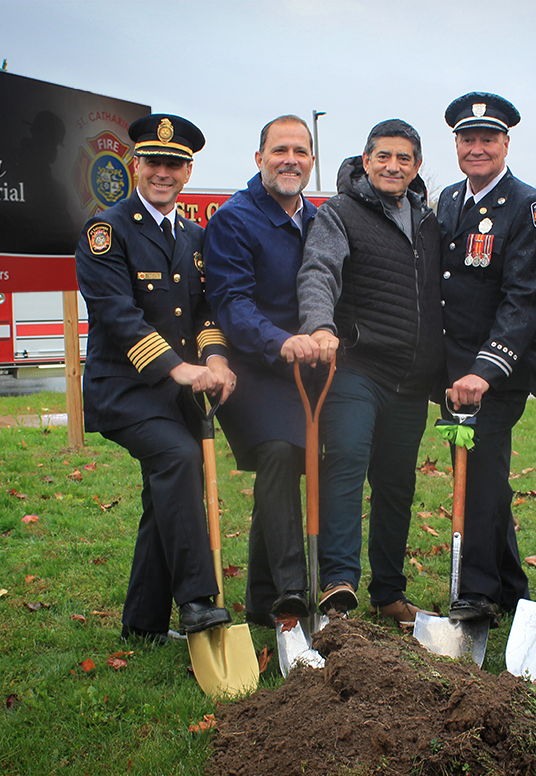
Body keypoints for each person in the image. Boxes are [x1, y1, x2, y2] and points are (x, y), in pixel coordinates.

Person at [75, 114, 236, 643]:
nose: (163, 173)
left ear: (187, 173)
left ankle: (142, 626)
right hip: (124, 390)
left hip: (176, 391)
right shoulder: (107, 231)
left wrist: (213, 359)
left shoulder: (195, 235)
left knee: (163, 497)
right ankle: (196, 602)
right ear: (135, 164)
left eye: (175, 164)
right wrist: (179, 367)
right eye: (154, 163)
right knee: (178, 459)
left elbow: (206, 311)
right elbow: (119, 316)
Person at [297, 119, 444, 626]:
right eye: (383, 156)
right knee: (346, 466)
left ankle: (388, 591)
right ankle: (338, 583)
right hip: (357, 368)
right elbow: (319, 270)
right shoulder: (339, 214)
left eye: (404, 158)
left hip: (410, 382)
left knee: (397, 485)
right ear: (366, 161)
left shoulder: (429, 222)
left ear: (417, 166)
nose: (393, 166)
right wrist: (319, 325)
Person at [437, 92, 536, 624]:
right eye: (468, 138)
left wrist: (484, 371)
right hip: (451, 368)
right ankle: (510, 584)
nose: (477, 147)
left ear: (506, 143)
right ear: (457, 144)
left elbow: (524, 302)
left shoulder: (530, 209)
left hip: (495, 371)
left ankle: (477, 593)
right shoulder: (446, 200)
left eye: (488, 138)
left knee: (480, 474)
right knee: (482, 475)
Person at [204, 115, 320, 627]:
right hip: (251, 369)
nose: (290, 159)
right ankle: (292, 591)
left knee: (287, 464)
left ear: (311, 162)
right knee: (278, 452)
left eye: (300, 151)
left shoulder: (317, 220)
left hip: (304, 371)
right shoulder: (235, 219)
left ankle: (257, 601)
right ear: (259, 159)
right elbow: (231, 303)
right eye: (279, 150)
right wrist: (281, 341)